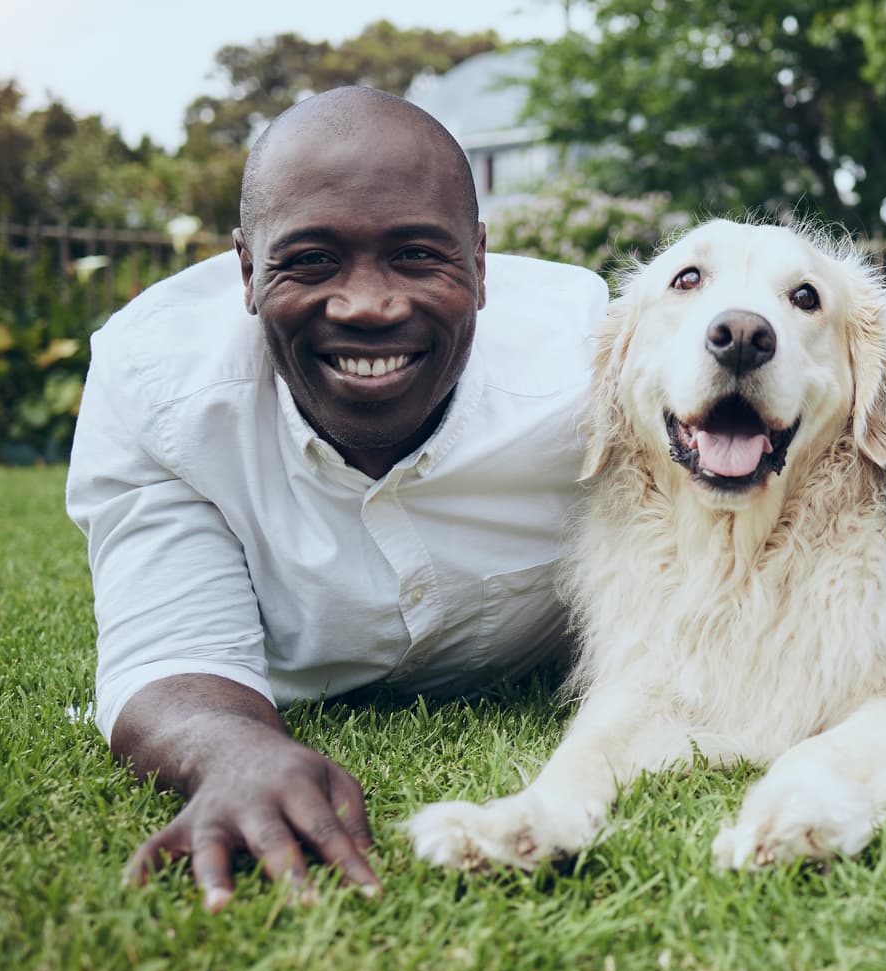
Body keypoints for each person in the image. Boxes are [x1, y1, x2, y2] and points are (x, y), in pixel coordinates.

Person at [67, 87, 609, 910]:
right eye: (312, 259)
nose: (368, 304)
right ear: (247, 270)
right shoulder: (157, 388)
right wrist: (232, 750)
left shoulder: (592, 363)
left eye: (418, 255)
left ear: (481, 265)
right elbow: (168, 654)